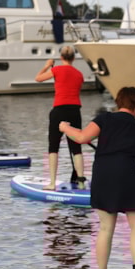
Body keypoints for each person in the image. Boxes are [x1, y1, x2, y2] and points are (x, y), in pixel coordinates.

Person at [59, 86, 135, 269]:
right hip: (128, 174)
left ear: (118, 103)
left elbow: (81, 137)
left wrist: (64, 128)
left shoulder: (104, 119)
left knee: (105, 227)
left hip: (103, 175)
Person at [35, 45, 85, 190]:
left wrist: (47, 66)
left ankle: (52, 183)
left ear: (61, 57)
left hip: (59, 110)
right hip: (75, 111)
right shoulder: (79, 74)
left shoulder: (56, 70)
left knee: (53, 146)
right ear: (73, 58)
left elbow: (38, 78)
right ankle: (81, 182)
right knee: (76, 147)